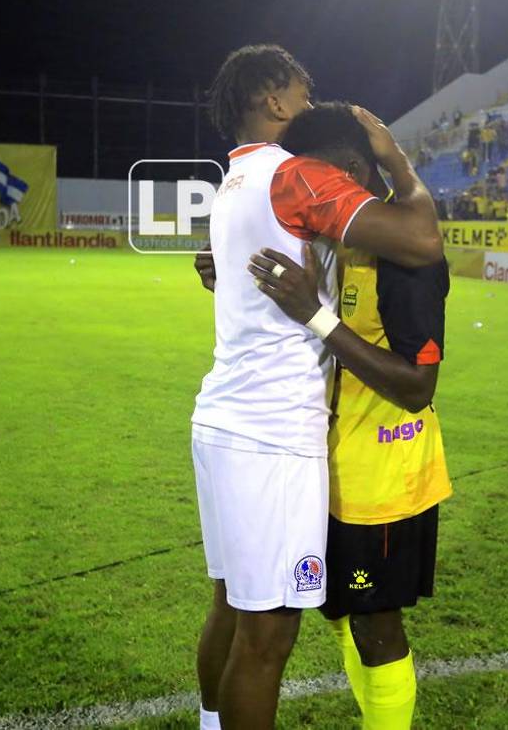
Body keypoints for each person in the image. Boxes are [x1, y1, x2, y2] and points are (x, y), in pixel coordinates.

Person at [190, 46, 443, 730]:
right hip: (274, 434)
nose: (310, 104)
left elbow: (232, 268)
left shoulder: (234, 178)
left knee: (231, 605)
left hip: (223, 419)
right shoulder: (296, 174)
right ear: (274, 99)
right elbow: (421, 240)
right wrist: (396, 160)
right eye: (303, 93)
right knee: (268, 638)